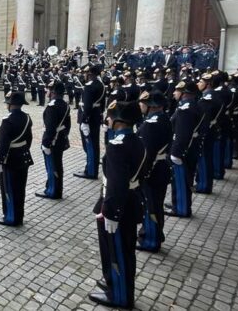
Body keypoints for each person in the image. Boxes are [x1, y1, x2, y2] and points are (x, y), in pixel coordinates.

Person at [89, 100, 146, 309]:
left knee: (118, 251)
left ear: (119, 120)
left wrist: (111, 213)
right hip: (130, 201)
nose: (108, 119)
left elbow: (116, 183)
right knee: (124, 250)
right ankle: (114, 283)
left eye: (111, 116)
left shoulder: (118, 146)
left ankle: (120, 296)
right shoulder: (136, 139)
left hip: (119, 207)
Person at [135, 91, 172, 253]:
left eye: (144, 103)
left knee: (150, 205)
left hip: (154, 170)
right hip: (161, 167)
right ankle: (156, 233)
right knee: (156, 204)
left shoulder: (151, 125)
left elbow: (147, 154)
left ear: (152, 106)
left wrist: (144, 173)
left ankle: (150, 239)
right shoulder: (162, 118)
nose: (140, 105)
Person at [0, 92, 33, 227]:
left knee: (9, 188)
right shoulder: (27, 118)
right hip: (23, 156)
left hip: (10, 159)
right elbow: (29, 139)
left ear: (10, 105)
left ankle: (11, 217)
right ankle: (19, 215)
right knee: (20, 188)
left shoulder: (7, 121)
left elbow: (3, 144)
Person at [167, 80, 202, 218]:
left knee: (181, 179)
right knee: (182, 179)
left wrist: (176, 153)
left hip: (182, 151)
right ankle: (178, 203)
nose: (174, 93)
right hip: (189, 148)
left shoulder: (186, 109)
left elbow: (182, 133)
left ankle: (181, 208)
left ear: (184, 93)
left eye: (177, 91)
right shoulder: (191, 105)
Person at [36, 81, 71, 199]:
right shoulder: (65, 104)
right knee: (58, 165)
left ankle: (52, 191)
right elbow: (68, 125)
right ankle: (56, 189)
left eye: (49, 89)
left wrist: (46, 143)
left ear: (53, 92)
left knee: (52, 166)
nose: (47, 91)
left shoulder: (52, 106)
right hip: (60, 138)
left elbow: (50, 128)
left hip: (53, 141)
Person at [74, 65, 105, 180]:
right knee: (94, 144)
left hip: (89, 118)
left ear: (90, 74)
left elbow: (87, 106)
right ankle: (91, 168)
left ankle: (91, 171)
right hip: (96, 115)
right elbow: (103, 104)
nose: (85, 75)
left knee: (89, 145)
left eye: (86, 73)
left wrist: (84, 121)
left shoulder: (89, 86)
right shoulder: (101, 84)